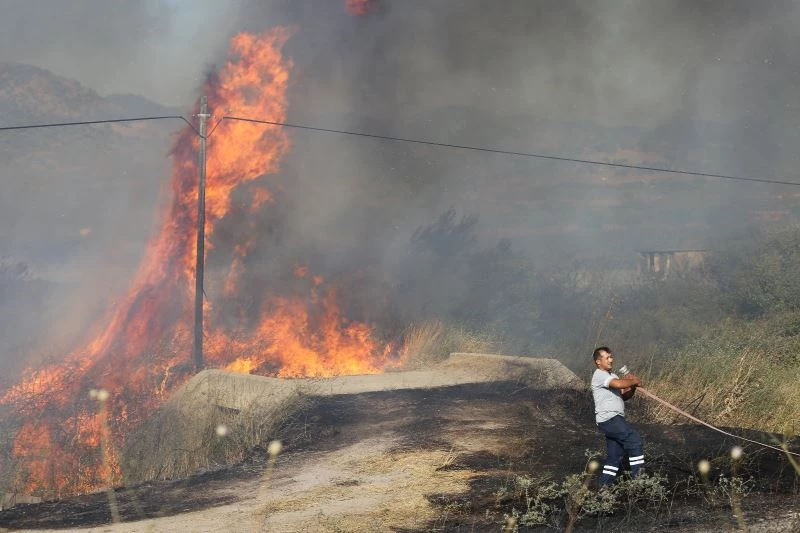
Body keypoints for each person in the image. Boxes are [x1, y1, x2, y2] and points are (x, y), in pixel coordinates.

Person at [591, 346, 645, 486]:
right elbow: (619, 384)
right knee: (634, 441)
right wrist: (633, 381)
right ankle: (638, 481)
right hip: (610, 419)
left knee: (614, 457)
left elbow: (624, 395)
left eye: (611, 357)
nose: (611, 360)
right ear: (598, 361)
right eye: (607, 357)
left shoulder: (612, 376)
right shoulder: (599, 375)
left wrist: (632, 387)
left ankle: (604, 488)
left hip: (614, 419)